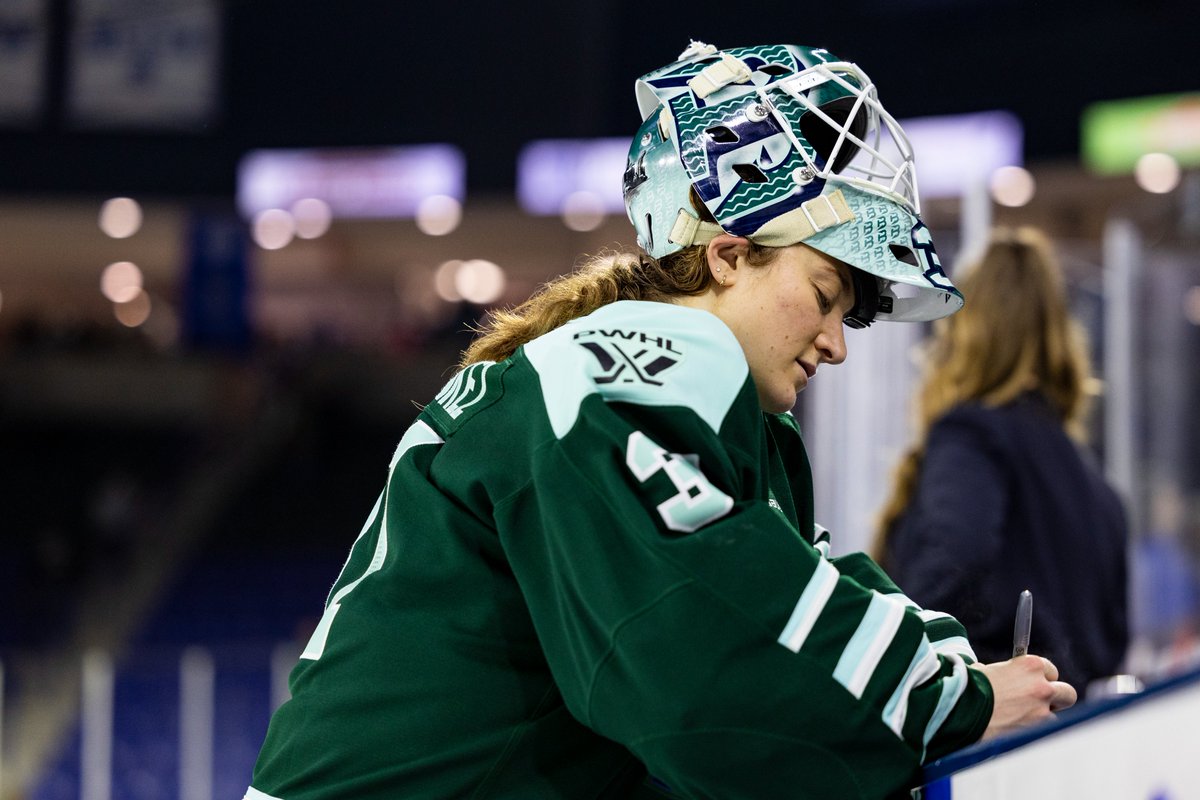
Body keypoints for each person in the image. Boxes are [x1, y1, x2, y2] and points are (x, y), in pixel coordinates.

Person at [245, 43, 1075, 800]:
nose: (835, 343)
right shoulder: (641, 364)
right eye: (825, 295)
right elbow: (706, 661)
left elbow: (799, 586)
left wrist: (951, 668)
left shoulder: (633, 379)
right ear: (729, 250)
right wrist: (952, 701)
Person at [873, 226, 1129, 697]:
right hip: (1074, 736)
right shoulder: (1096, 486)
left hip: (988, 736)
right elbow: (1113, 637)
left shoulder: (971, 434)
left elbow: (952, 561)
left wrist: (890, 670)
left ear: (964, 331)